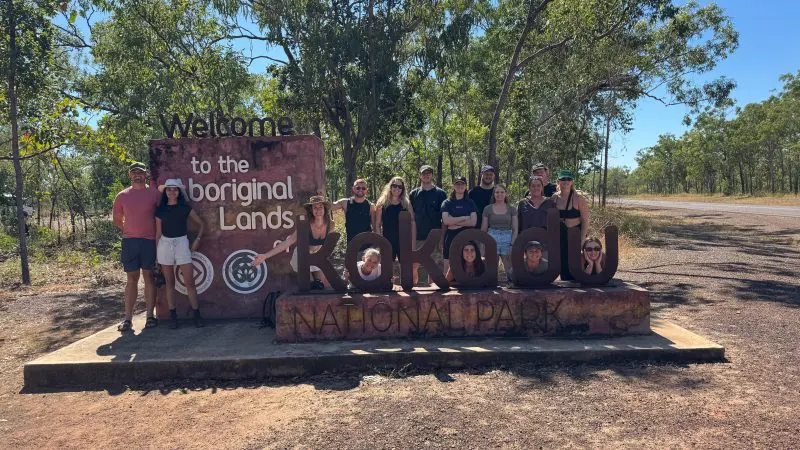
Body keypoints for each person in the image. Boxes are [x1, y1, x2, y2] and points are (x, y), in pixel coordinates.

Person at [112, 161, 161, 332]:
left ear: (146, 174)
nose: (137, 176)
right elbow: (117, 219)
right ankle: (127, 319)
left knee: (149, 277)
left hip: (149, 241)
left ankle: (150, 316)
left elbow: (160, 218)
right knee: (131, 279)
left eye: (140, 172)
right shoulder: (122, 196)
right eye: (134, 173)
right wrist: (129, 230)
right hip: (130, 242)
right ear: (129, 175)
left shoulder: (154, 194)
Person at [252, 195, 333, 290]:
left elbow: (329, 244)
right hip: (302, 256)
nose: (318, 210)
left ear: (324, 209)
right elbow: (289, 241)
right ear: (311, 210)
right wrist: (265, 256)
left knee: (320, 286)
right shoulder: (305, 224)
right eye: (315, 207)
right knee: (309, 286)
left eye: (320, 207)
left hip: (318, 256)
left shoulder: (330, 224)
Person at [155, 179, 206, 329]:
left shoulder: (185, 208)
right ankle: (173, 317)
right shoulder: (160, 209)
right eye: (169, 189)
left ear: (179, 191)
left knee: (189, 282)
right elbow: (158, 233)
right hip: (164, 244)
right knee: (170, 283)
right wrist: (156, 256)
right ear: (165, 192)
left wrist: (197, 240)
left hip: (182, 243)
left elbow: (201, 224)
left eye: (174, 189)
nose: (172, 192)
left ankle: (197, 315)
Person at [409, 165, 447, 285]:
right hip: (419, 236)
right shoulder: (413, 194)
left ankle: (432, 293)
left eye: (428, 173)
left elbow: (444, 220)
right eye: (423, 173)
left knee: (433, 266)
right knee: (414, 265)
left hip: (435, 237)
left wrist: (442, 239)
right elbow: (411, 218)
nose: (426, 175)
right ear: (420, 176)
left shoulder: (441, 194)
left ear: (432, 175)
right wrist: (412, 240)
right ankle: (413, 289)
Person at [553, 170, 589, 281]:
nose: (565, 182)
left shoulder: (579, 199)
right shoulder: (554, 198)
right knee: (562, 264)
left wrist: (582, 239)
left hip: (575, 235)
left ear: (572, 182)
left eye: (568, 179)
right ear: (558, 181)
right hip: (560, 237)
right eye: (563, 179)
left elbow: (585, 221)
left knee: (574, 265)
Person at [441, 176, 478, 274]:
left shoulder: (470, 203)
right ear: (453, 186)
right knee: (448, 262)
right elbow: (446, 221)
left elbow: (473, 222)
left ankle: (467, 285)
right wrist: (464, 218)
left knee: (467, 262)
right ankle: (447, 285)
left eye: (462, 184)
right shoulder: (447, 202)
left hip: (466, 236)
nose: (460, 186)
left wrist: (454, 222)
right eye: (457, 184)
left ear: (466, 186)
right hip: (450, 236)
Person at [480, 184, 517, 282]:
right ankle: (492, 290)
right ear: (494, 194)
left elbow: (515, 228)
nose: (499, 194)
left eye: (502, 192)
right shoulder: (487, 209)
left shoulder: (512, 209)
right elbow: (484, 228)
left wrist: (512, 244)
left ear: (506, 194)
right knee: (492, 268)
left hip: (507, 238)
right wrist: (483, 244)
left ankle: (513, 286)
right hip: (492, 238)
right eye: (497, 192)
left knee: (509, 267)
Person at [374, 176, 416, 263]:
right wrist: (380, 243)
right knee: (386, 270)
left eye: (400, 187)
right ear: (390, 186)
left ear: (403, 189)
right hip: (387, 241)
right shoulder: (382, 203)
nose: (397, 188)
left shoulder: (406, 203)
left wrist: (413, 244)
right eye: (394, 185)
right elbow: (377, 224)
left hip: (404, 241)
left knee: (407, 269)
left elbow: (412, 222)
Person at [332, 178, 373, 244]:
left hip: (367, 247)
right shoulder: (345, 203)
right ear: (353, 189)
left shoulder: (371, 206)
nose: (360, 190)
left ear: (366, 190)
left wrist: (377, 244)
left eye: (363, 188)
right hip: (352, 246)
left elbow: (375, 226)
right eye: (358, 188)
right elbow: (329, 206)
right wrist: (320, 195)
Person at [468, 165, 496, 230]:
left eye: (491, 174)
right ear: (481, 175)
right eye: (486, 174)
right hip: (476, 229)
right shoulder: (473, 192)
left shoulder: (498, 192)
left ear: (494, 176)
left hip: (493, 229)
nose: (488, 176)